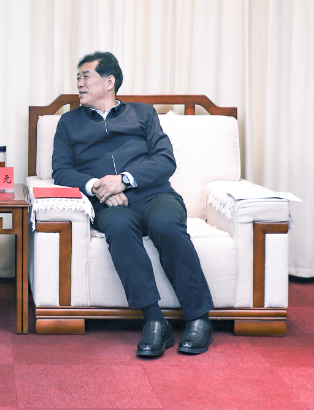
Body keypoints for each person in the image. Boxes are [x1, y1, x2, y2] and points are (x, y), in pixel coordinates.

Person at [52, 51, 214, 357]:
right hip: (107, 203)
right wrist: (99, 186)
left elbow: (165, 160)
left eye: (86, 76)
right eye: (78, 78)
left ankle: (199, 318)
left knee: (167, 225)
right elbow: (61, 170)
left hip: (154, 195)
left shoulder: (142, 113)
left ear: (109, 81)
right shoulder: (69, 123)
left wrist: (124, 180)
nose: (79, 84)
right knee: (119, 227)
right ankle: (154, 320)